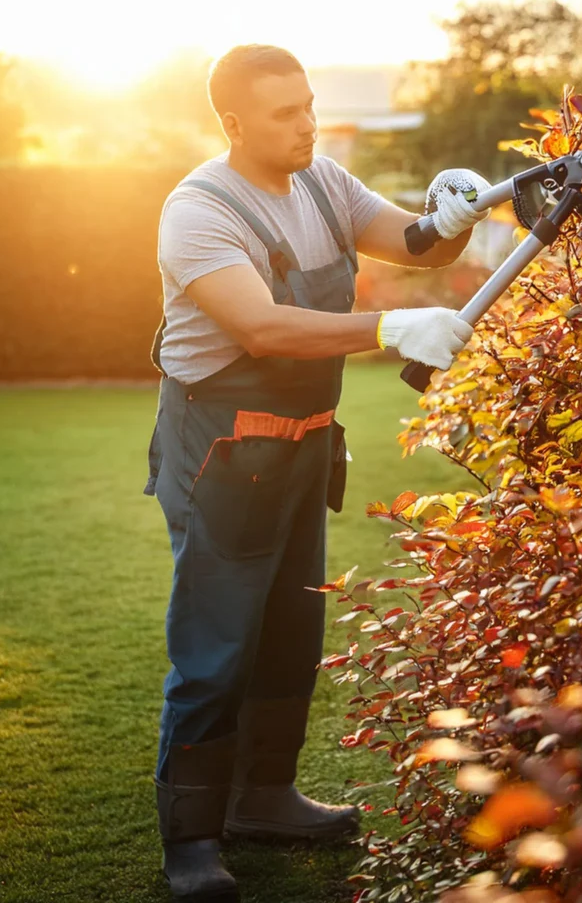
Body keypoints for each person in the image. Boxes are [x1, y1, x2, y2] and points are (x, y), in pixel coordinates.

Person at [143, 44, 490, 902]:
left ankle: (264, 800)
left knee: (294, 636)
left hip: (300, 448)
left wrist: (451, 216)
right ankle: (191, 840)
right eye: (284, 113)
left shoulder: (324, 182)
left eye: (308, 105)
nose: (307, 124)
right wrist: (386, 331)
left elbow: (407, 242)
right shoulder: (198, 213)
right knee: (218, 647)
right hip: (222, 451)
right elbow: (260, 328)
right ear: (231, 123)